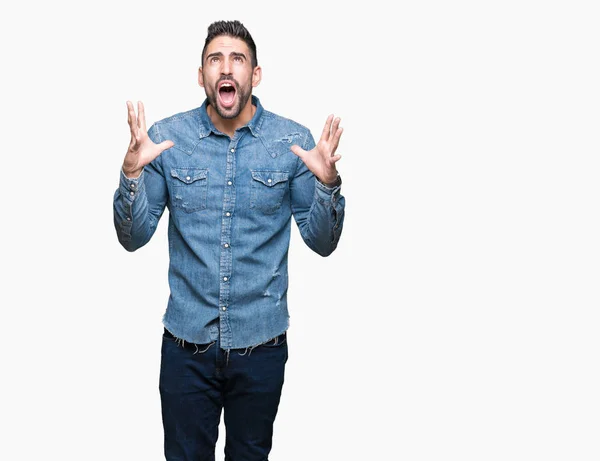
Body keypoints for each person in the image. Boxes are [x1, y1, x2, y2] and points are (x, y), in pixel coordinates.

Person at [113, 19, 345, 461]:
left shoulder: (292, 142)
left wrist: (328, 185)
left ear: (254, 75)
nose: (226, 68)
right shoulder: (165, 139)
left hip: (261, 349)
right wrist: (131, 176)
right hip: (185, 350)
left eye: (237, 59)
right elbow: (132, 237)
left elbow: (323, 242)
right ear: (201, 75)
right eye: (214, 59)